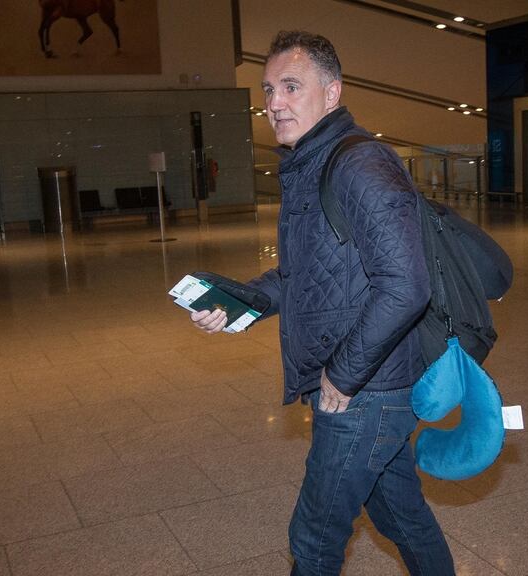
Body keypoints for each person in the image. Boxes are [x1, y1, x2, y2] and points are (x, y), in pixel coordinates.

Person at [189, 30, 455, 575]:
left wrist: (342, 376)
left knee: (313, 539)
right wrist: (239, 303)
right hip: (366, 385)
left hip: (365, 390)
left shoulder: (359, 164)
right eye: (267, 91)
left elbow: (407, 285)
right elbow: (301, 278)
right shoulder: (309, 164)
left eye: (291, 86)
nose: (274, 103)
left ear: (332, 93)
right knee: (402, 517)